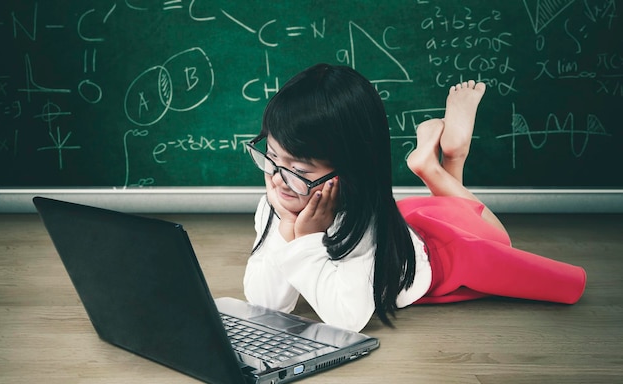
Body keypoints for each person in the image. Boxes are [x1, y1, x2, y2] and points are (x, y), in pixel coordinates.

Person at [243, 63, 586, 332]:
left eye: (299, 169)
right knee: (460, 209)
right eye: (270, 155)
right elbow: (267, 303)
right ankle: (449, 156)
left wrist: (306, 238)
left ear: (349, 170)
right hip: (412, 226)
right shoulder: (279, 199)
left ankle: (442, 162)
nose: (277, 177)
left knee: (499, 238)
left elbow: (346, 318)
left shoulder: (364, 224)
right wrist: (286, 225)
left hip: (444, 259)